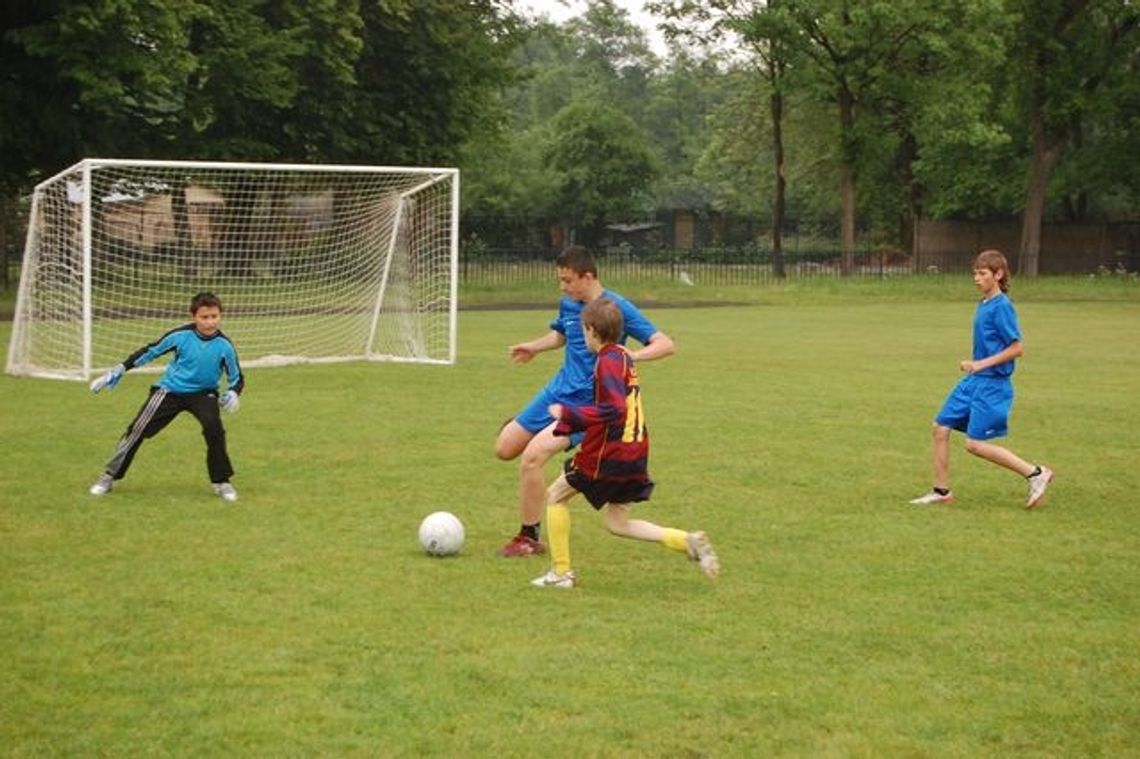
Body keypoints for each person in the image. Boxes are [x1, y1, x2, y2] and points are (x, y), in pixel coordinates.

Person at [494, 246, 675, 556]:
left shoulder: (617, 307)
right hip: (556, 390)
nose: (562, 287)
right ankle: (534, 425)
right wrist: (535, 347)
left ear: (587, 276)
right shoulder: (569, 304)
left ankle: (528, 537)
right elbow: (562, 336)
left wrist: (633, 355)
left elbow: (665, 344)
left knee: (533, 457)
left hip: (586, 407)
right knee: (504, 448)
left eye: (567, 280)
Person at [530, 297, 718, 588]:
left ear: (592, 330)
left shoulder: (606, 362)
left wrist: (569, 413)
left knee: (555, 495)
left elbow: (614, 408)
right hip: (634, 451)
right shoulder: (622, 355)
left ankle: (561, 574)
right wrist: (570, 423)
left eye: (582, 331)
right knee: (618, 523)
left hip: (609, 453)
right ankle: (686, 541)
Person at [910, 249, 1054, 509]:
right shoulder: (984, 304)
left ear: (998, 275)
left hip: (992, 385)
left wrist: (979, 364)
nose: (976, 278)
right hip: (973, 382)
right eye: (974, 273)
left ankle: (1036, 473)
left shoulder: (1002, 307)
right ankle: (941, 491)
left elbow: (1016, 348)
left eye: (982, 273)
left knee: (974, 444)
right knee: (940, 428)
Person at [87, 291, 245, 502]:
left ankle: (222, 482)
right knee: (137, 429)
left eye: (214, 316)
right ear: (193, 316)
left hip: (203, 394)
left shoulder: (225, 345)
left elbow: (236, 377)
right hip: (170, 391)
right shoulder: (179, 336)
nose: (210, 322)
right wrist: (119, 370)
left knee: (214, 428)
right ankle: (109, 476)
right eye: (204, 317)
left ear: (221, 316)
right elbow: (150, 351)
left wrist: (234, 391)